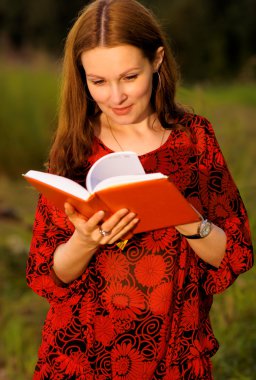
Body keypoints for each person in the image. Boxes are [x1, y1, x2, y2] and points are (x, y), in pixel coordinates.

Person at [26, 0, 254, 379]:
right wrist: (84, 241)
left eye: (130, 77)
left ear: (157, 60)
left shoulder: (194, 139)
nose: (116, 97)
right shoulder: (74, 147)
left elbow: (234, 255)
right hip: (83, 356)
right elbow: (48, 276)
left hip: (174, 354)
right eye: (98, 81)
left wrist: (185, 219)